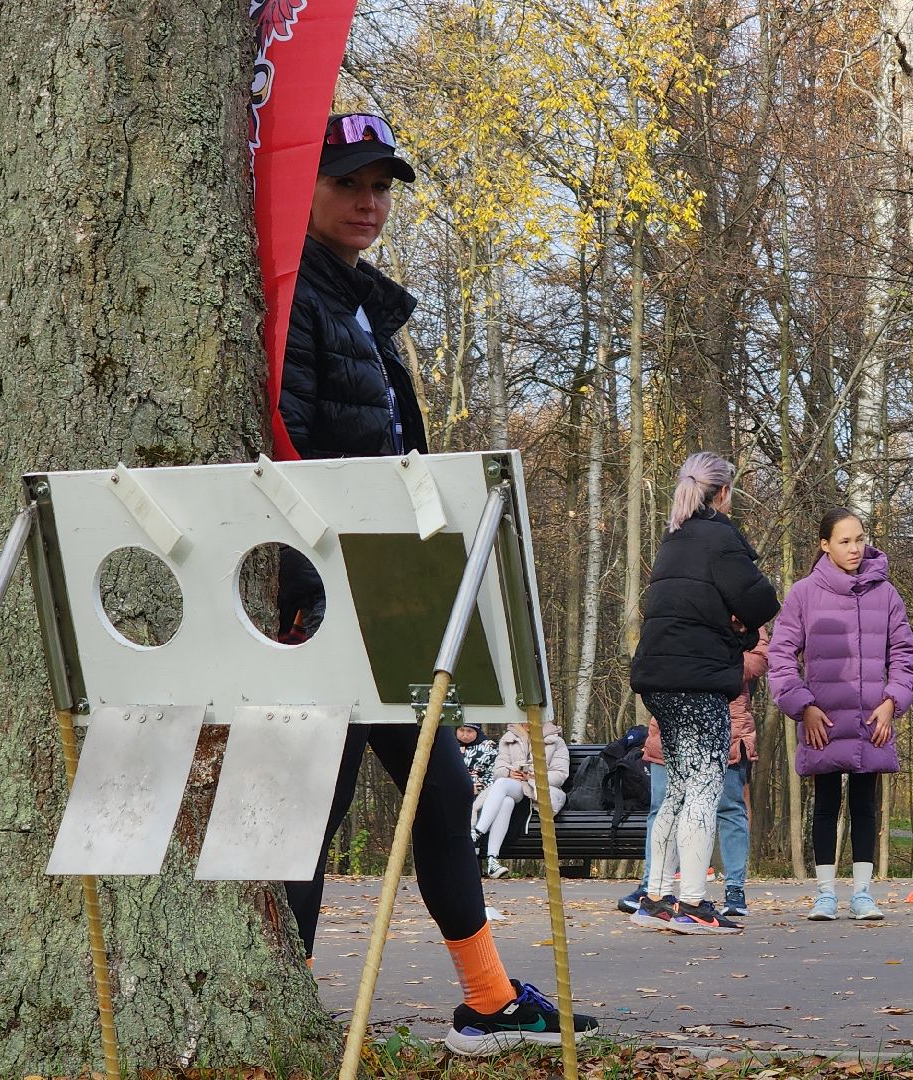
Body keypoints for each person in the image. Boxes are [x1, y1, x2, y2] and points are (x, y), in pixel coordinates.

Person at [275, 113, 592, 1054]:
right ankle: (288, 1000)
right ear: (310, 192)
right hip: (327, 592)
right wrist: (317, 580)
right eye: (349, 185)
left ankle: (487, 1001)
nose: (370, 203)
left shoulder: (362, 305)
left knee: (440, 791)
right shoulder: (300, 303)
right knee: (315, 807)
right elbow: (288, 457)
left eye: (382, 188)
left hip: (388, 583)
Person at [628, 452, 780, 935]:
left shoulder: (671, 539)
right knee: (705, 784)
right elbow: (760, 601)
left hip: (657, 676)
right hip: (699, 678)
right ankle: (693, 900)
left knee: (676, 784)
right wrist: (739, 630)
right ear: (724, 493)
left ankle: (655, 896)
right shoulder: (721, 537)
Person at [768, 508, 913, 922]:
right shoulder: (803, 594)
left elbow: (904, 655)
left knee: (865, 804)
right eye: (845, 541)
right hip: (824, 720)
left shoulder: (885, 593)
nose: (855, 548)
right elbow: (779, 657)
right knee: (826, 802)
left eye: (860, 539)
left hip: (873, 720)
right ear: (824, 545)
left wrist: (892, 701)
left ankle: (863, 895)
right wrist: (803, 707)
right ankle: (824, 896)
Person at [618, 624, 768, 919]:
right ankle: (653, 888)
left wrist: (708, 666)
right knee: (662, 805)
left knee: (729, 808)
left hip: (728, 723)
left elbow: (759, 659)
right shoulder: (677, 602)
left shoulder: (741, 601)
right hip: (669, 722)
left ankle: (734, 889)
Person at [472, 720, 569, 879]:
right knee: (506, 799)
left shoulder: (556, 741)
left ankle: (477, 833)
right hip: (514, 788)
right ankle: (492, 860)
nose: (527, 722)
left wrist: (532, 775)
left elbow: (560, 775)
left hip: (540, 790)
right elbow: (499, 771)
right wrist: (510, 773)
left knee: (502, 787)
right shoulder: (509, 738)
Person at [457, 723, 498, 794]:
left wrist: (480, 788)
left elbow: (493, 774)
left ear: (477, 732)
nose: (465, 735)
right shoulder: (449, 745)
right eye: (461, 730)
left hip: (480, 790)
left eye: (469, 731)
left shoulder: (490, 747)